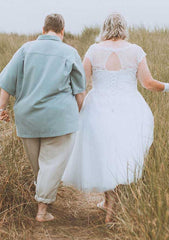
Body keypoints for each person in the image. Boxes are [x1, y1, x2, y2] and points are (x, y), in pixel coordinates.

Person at [62, 13, 169, 223]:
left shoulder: (94, 50)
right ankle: (111, 206)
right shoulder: (136, 51)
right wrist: (167, 87)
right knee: (121, 155)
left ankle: (108, 204)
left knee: (105, 154)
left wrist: (76, 107)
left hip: (98, 107)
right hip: (130, 108)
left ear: (105, 28)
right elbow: (147, 83)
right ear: (124, 27)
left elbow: (81, 83)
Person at [0, 14, 86, 222]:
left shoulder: (25, 50)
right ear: (62, 30)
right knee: (51, 163)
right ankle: (42, 210)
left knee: (39, 165)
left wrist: (1, 108)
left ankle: (44, 197)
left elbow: (6, 82)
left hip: (27, 117)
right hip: (59, 118)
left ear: (43, 28)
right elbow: (79, 92)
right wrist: (78, 114)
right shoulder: (70, 52)